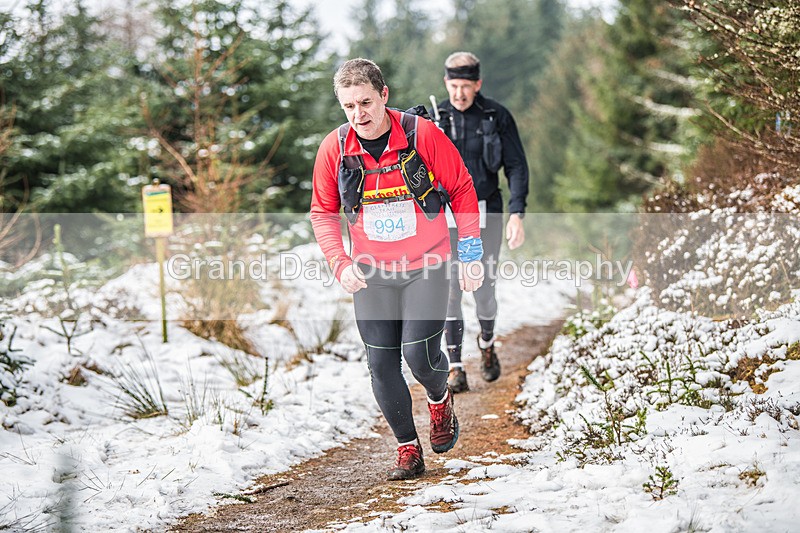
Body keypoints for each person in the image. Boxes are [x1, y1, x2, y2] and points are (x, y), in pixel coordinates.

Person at [310, 58, 485, 480]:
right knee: (381, 362)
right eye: (349, 106)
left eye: (366, 102)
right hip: (371, 272)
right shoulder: (334, 147)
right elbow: (323, 212)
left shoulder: (420, 134)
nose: (359, 115)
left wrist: (472, 250)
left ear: (383, 95)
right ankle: (408, 447)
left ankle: (439, 398)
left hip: (428, 263)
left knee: (418, 355)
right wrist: (340, 261)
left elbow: (461, 188)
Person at [436, 51, 530, 393]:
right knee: (449, 290)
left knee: (483, 288)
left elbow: (516, 166)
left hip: (486, 211)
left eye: (466, 86)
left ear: (478, 84)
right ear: (445, 83)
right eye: (453, 85)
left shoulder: (496, 116)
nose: (459, 94)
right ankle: (455, 367)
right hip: (444, 217)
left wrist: (517, 213)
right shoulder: (433, 118)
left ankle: (487, 343)